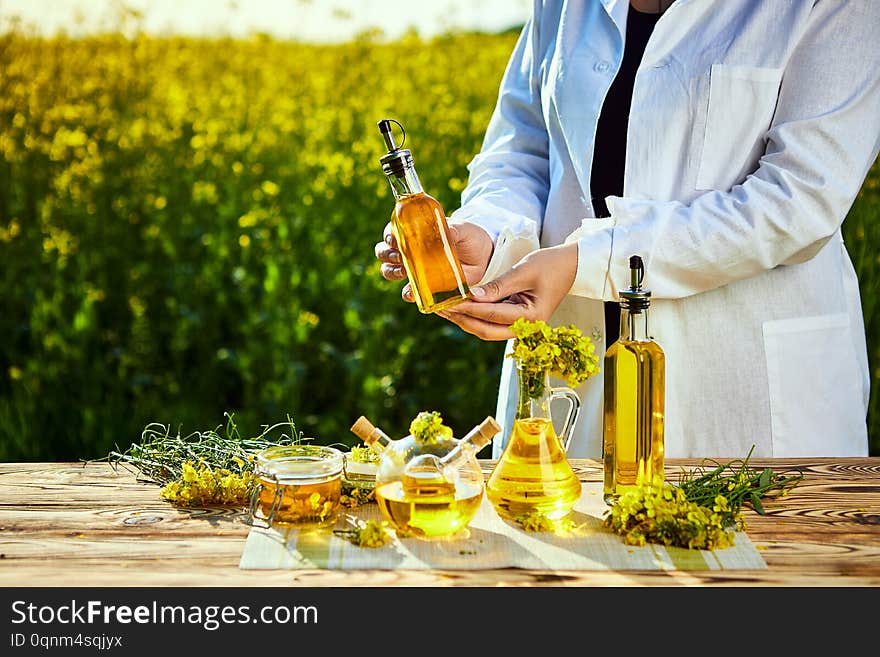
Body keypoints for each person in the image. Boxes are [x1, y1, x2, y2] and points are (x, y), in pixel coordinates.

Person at [375, 0, 880, 459]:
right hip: (574, 383)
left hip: (748, 397)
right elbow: (522, 150)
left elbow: (798, 200)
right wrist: (490, 237)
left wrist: (587, 263)